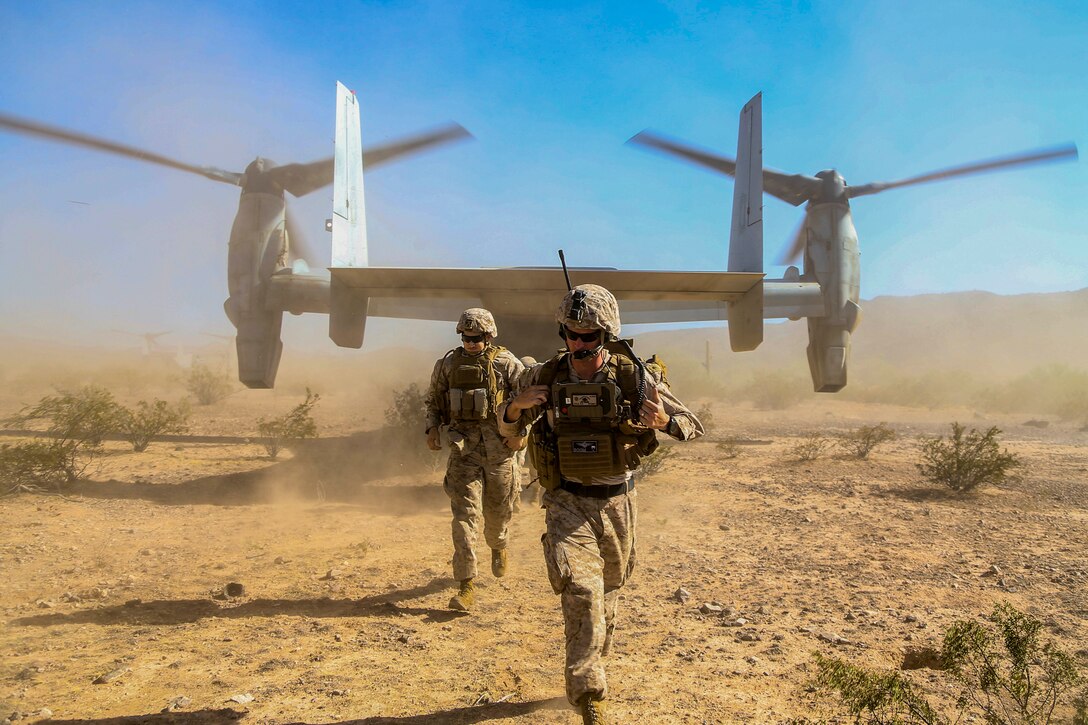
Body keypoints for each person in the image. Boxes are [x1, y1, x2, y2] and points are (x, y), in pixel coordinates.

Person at [498, 285, 703, 724]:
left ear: (607, 335)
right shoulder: (546, 376)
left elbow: (693, 425)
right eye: (572, 333)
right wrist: (515, 408)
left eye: (589, 335)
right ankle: (588, 694)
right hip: (567, 500)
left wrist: (665, 421)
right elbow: (506, 428)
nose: (579, 343)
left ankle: (594, 662)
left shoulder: (635, 377)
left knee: (609, 592)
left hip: (617, 503)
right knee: (582, 591)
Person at [425, 308, 525, 612]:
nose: (471, 343)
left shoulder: (507, 364)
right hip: (463, 452)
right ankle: (465, 585)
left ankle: (498, 545)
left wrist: (520, 434)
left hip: (499, 453)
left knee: (496, 516)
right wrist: (431, 426)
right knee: (464, 516)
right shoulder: (448, 365)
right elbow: (433, 398)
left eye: (477, 338)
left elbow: (527, 401)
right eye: (466, 338)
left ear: (489, 335)